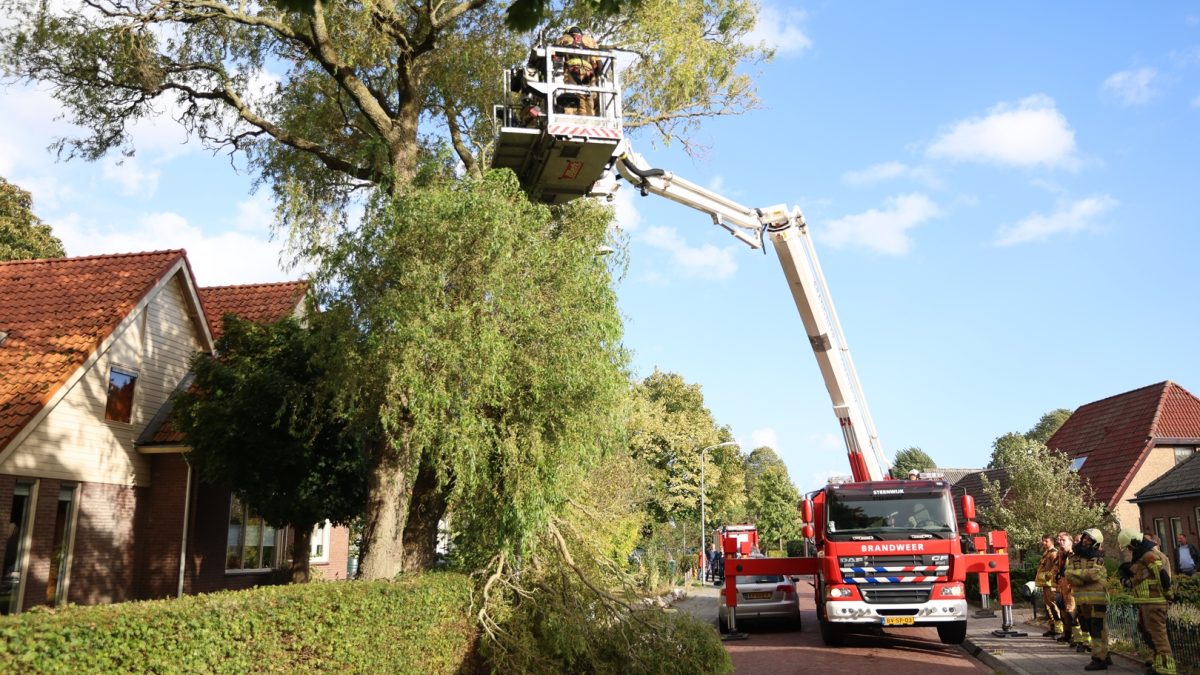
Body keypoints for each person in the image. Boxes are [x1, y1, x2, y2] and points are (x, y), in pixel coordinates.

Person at [1119, 529, 1176, 675]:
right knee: (1149, 633)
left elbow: (1162, 574)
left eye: (1129, 547)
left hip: (1155, 602)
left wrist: (1168, 594)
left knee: (1158, 635)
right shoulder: (1143, 556)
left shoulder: (1149, 555)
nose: (1130, 550)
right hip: (1147, 602)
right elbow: (1141, 576)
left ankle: (1167, 669)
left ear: (1135, 542)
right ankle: (1158, 664)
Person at [1065, 528, 1111, 670]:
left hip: (1097, 601)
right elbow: (1068, 574)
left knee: (1098, 629)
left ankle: (1098, 659)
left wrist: (1078, 576)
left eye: (1089, 540)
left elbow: (1094, 575)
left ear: (1096, 543)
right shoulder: (1074, 557)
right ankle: (1105, 655)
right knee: (1091, 629)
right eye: (1085, 538)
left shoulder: (1098, 558)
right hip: (1081, 600)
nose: (1085, 541)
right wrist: (1082, 577)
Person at [553, 26, 600, 116]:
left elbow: (555, 57)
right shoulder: (590, 41)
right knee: (588, 97)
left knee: (572, 97)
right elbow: (598, 62)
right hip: (588, 72)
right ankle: (589, 118)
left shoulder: (563, 38)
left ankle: (570, 118)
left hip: (572, 70)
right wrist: (599, 76)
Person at [1055, 531, 1083, 647]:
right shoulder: (1061, 554)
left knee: (1072, 614)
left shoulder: (1074, 555)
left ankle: (1079, 639)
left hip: (1071, 588)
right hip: (1062, 587)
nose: (1061, 542)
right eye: (1060, 540)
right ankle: (1068, 636)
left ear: (1070, 542)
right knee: (1064, 613)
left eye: (1064, 540)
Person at [1035, 534, 1065, 638]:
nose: (1043, 543)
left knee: (1054, 606)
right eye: (1043, 541)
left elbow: (1055, 568)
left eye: (1046, 541)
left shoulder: (1053, 553)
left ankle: (1059, 630)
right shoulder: (1046, 553)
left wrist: (1049, 576)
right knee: (1048, 607)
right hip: (1045, 584)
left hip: (1050, 584)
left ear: (1051, 542)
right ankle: (1052, 628)